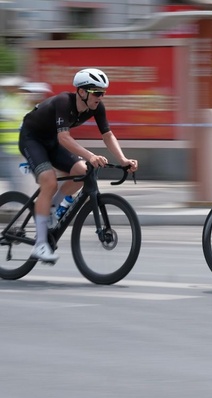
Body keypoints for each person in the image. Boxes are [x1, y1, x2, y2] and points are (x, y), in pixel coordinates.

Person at [19, 68, 138, 263]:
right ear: (82, 92)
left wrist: (123, 160)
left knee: (81, 171)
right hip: (32, 139)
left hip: (51, 142)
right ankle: (40, 245)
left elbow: (107, 135)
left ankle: (50, 209)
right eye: (97, 92)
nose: (101, 97)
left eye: (103, 92)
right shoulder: (63, 102)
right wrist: (91, 155)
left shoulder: (96, 107)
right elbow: (64, 137)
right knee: (49, 182)